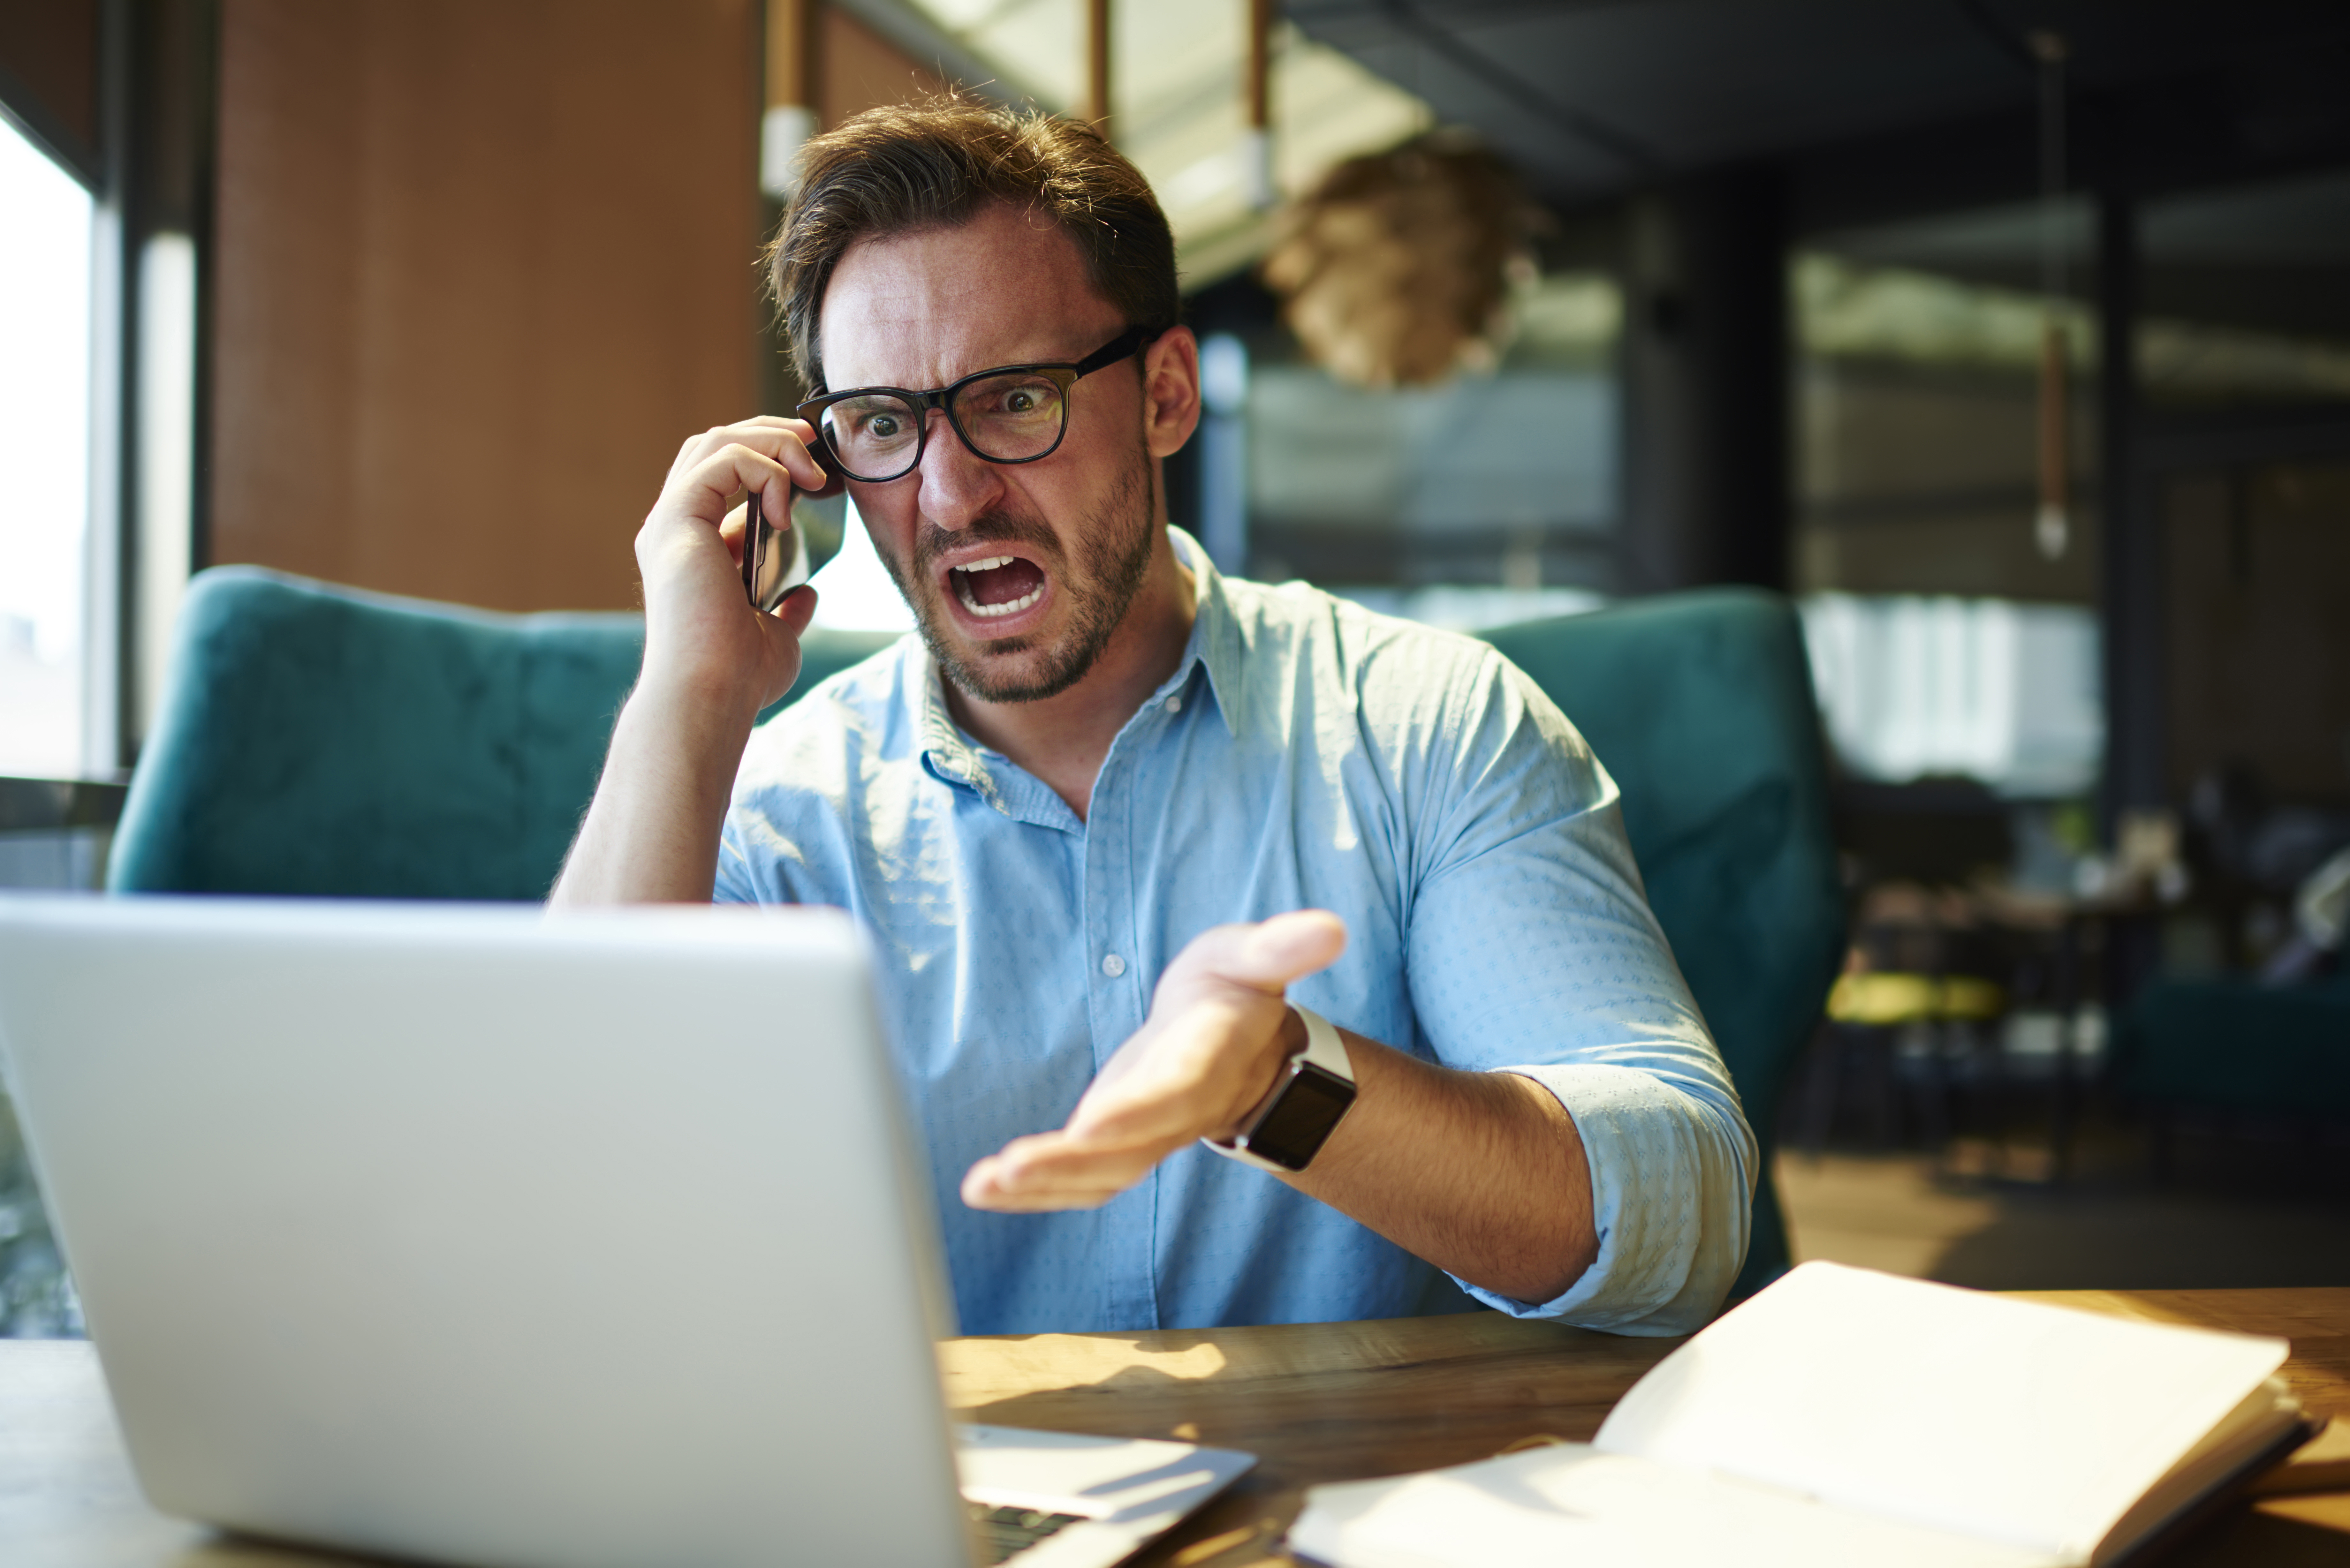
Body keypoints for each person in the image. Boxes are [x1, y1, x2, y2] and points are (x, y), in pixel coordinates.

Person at [553, 97, 1754, 1337]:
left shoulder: (1428, 727)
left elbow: (1682, 1220)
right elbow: (556, 1225)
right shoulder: (778, 812)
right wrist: (688, 700)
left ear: (1167, 394)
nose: (951, 495)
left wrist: (1282, 1082)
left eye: (1016, 399)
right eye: (882, 425)